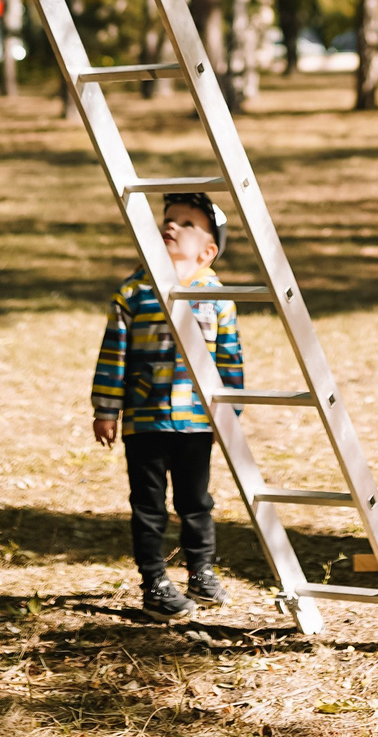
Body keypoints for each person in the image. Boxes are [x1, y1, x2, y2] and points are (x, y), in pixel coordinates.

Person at [91, 192, 241, 621]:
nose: (171, 226)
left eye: (187, 223)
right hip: (146, 419)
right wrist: (106, 409)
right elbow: (113, 355)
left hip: (197, 422)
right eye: (168, 219)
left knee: (196, 501)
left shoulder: (218, 297)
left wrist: (230, 416)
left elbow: (230, 359)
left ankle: (201, 571)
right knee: (148, 504)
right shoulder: (134, 292)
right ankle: (154, 582)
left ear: (207, 252)